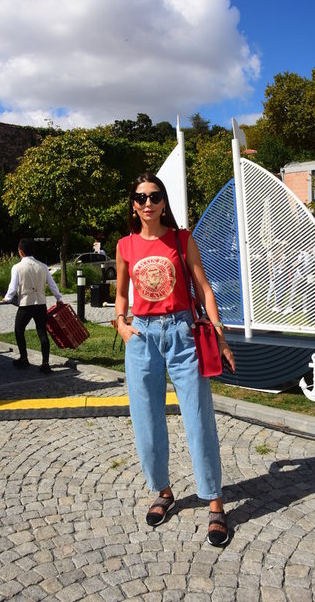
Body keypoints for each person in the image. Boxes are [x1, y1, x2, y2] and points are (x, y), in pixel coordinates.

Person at [115, 173, 236, 547]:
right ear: (133, 205)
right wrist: (121, 323)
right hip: (141, 337)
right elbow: (122, 294)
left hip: (182, 333)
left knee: (198, 417)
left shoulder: (182, 239)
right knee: (146, 420)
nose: (148, 203)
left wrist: (220, 334)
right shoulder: (125, 245)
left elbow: (204, 288)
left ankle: (214, 502)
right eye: (141, 197)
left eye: (154, 196)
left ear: (164, 202)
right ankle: (163, 491)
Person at [3, 238, 63, 373]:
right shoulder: (43, 266)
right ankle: (45, 363)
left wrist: (7, 298)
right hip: (40, 303)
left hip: (26, 304)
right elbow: (52, 284)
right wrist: (59, 298)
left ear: (20, 252)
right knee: (42, 331)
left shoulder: (17, 267)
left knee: (19, 330)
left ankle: (24, 358)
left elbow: (12, 287)